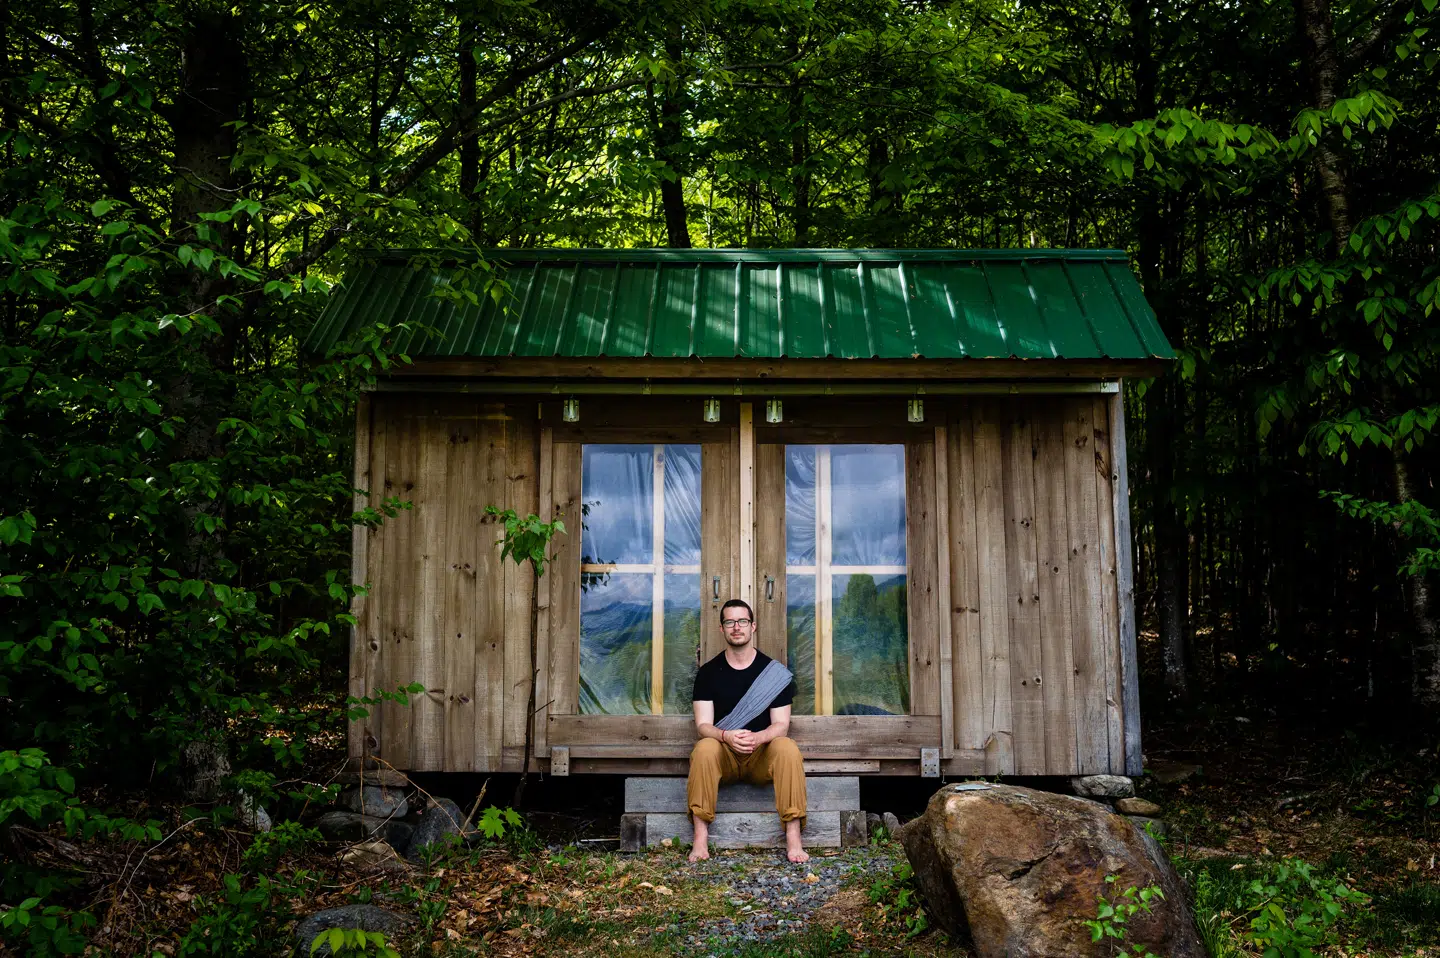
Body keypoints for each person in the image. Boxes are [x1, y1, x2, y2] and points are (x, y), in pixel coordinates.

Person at [687, 598, 808, 863]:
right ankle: (700, 839)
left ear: (753, 626)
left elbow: (781, 725)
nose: (736, 627)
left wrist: (758, 737)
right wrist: (725, 736)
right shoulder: (708, 673)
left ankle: (793, 838)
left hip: (760, 757)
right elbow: (702, 726)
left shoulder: (773, 674)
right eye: (730, 622)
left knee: (786, 747)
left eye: (742, 621)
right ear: (722, 629)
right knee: (704, 747)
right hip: (725, 756)